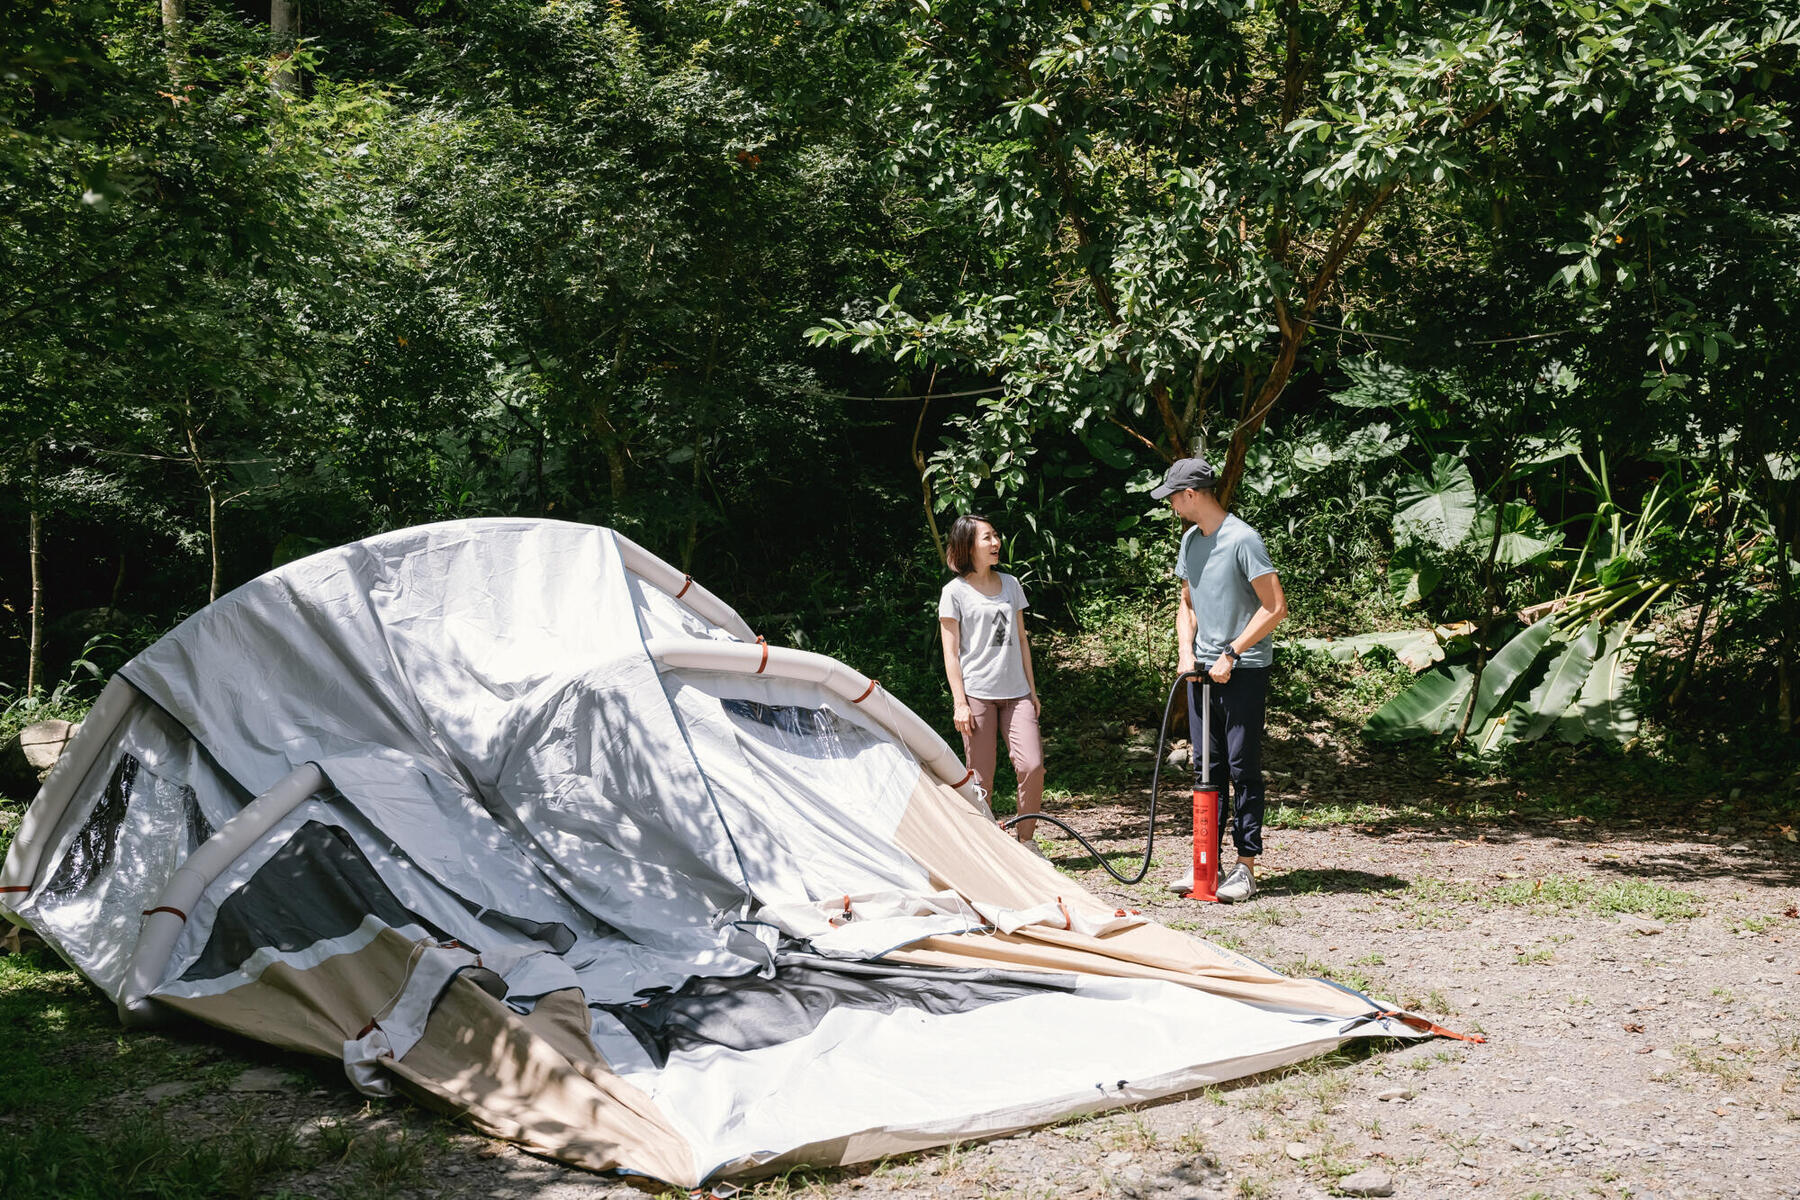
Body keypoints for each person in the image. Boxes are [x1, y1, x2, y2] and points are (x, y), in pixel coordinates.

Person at [1151, 457, 1287, 902]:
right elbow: (1186, 603)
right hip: (1202, 673)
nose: (1169, 503)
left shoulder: (1243, 539)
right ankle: (1205, 866)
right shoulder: (1191, 540)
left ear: (1191, 495)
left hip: (1243, 671)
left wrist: (1232, 652)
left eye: (1172, 495)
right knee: (1205, 766)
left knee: (1242, 765)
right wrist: (1186, 653)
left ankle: (1245, 867)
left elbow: (1275, 607)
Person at [937, 514, 1045, 845]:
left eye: (995, 536)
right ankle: (988, 847)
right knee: (980, 779)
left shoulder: (1011, 584)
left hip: (1017, 693)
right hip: (977, 695)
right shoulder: (953, 592)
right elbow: (951, 654)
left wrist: (1032, 691)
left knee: (1033, 765)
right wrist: (960, 703)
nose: (995, 542)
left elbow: (1022, 640)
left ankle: (1026, 842)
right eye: (987, 538)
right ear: (968, 545)